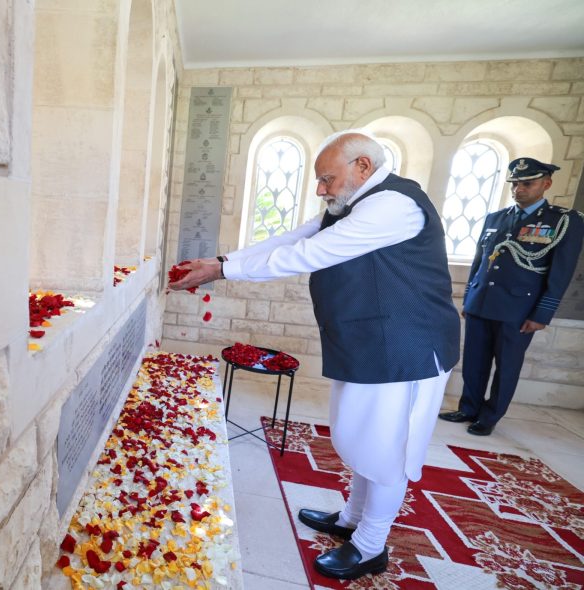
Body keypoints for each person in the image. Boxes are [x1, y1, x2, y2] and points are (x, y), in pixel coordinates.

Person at [169, 131, 460, 581]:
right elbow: (291, 237)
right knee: (363, 437)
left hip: (406, 347)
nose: (322, 190)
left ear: (363, 166)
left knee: (386, 449)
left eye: (327, 178)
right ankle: (350, 519)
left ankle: (369, 546)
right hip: (369, 342)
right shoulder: (354, 204)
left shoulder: (393, 205)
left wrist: (225, 271)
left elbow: (311, 253)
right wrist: (220, 262)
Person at [439, 158, 584, 435]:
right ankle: (468, 408)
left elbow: (561, 272)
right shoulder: (497, 218)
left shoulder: (562, 221)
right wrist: (470, 297)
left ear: (546, 184)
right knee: (473, 361)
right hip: (482, 302)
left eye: (526, 183)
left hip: (519, 308)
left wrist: (542, 314)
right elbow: (480, 262)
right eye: (515, 184)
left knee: (506, 366)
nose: (518, 189)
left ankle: (489, 417)